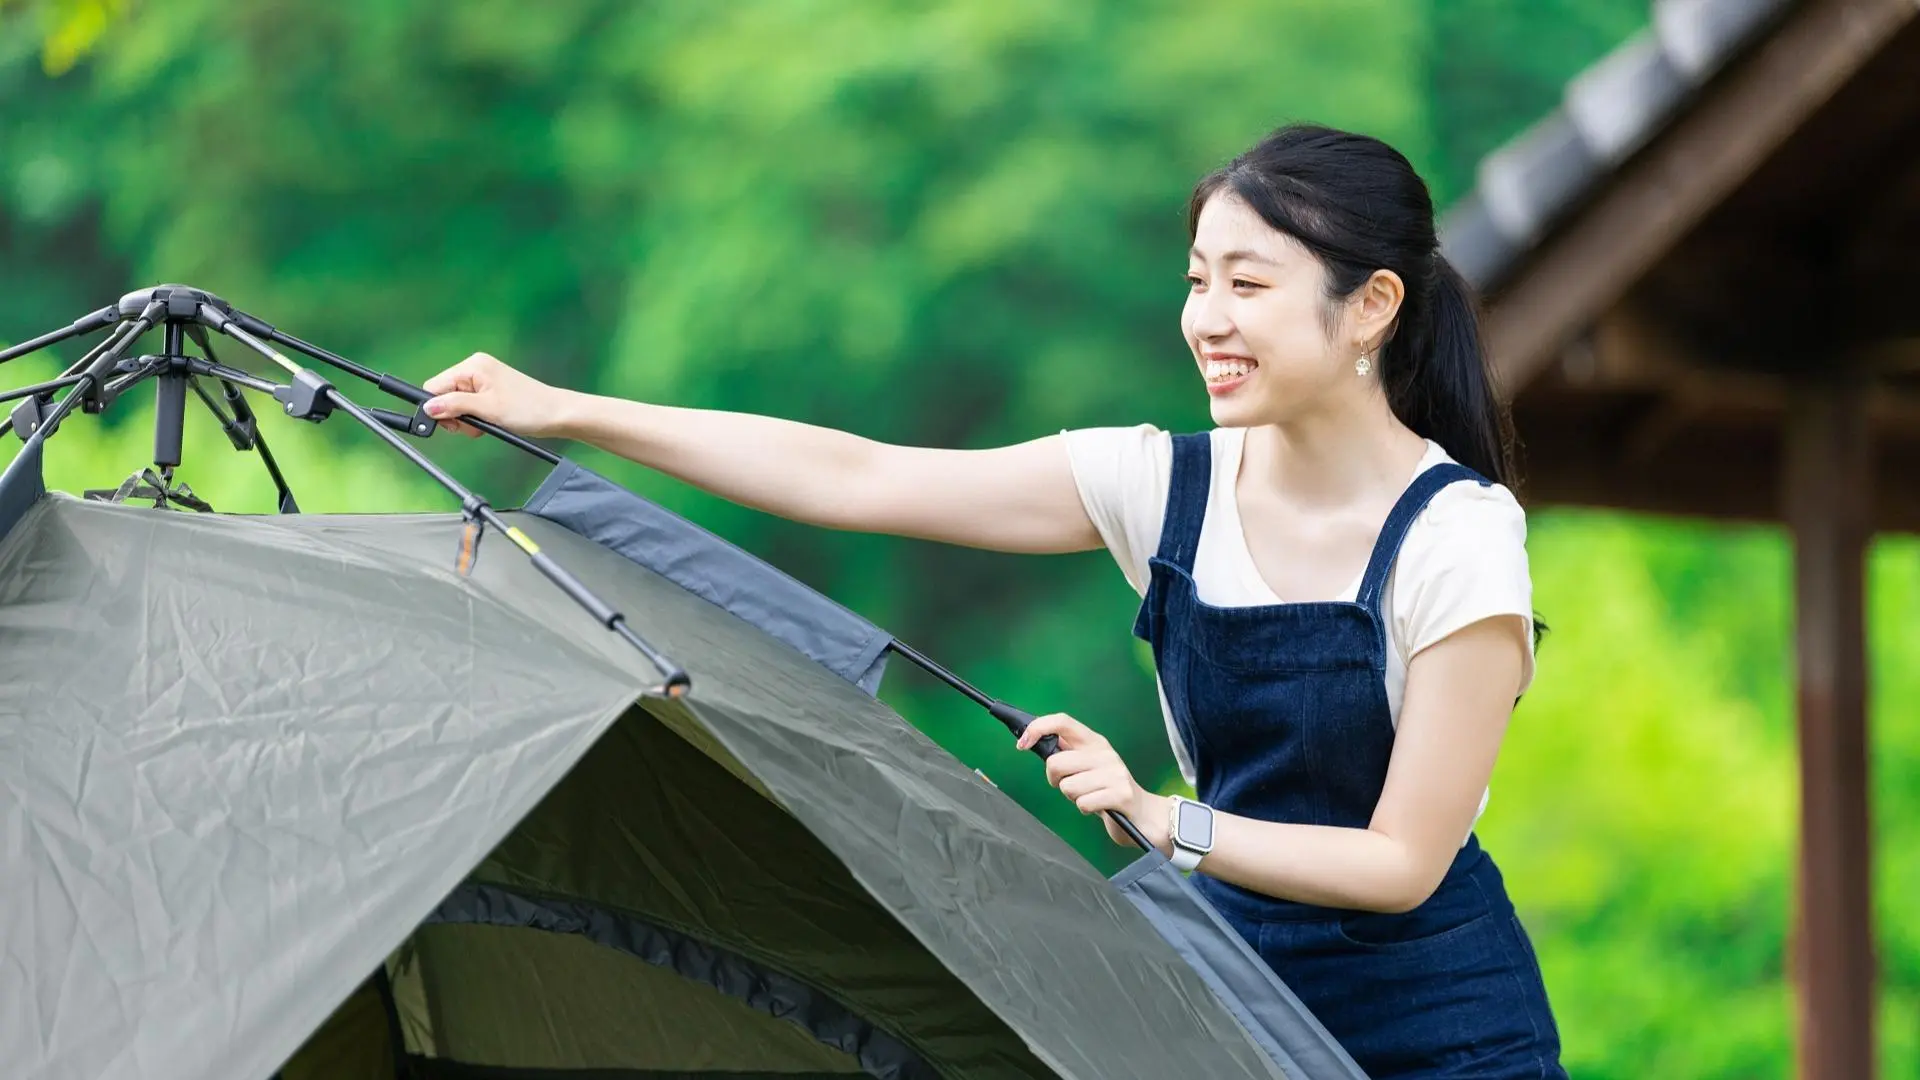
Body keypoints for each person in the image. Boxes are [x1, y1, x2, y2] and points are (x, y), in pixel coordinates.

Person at [420, 122, 1566, 1079]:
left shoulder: (1459, 536)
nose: (1206, 319)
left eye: (1248, 285)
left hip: (1439, 1029)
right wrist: (563, 409)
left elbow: (1402, 862)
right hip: (1223, 1001)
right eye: (1197, 281)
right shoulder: (1159, 485)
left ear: (1370, 306)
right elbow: (857, 475)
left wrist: (1167, 819)